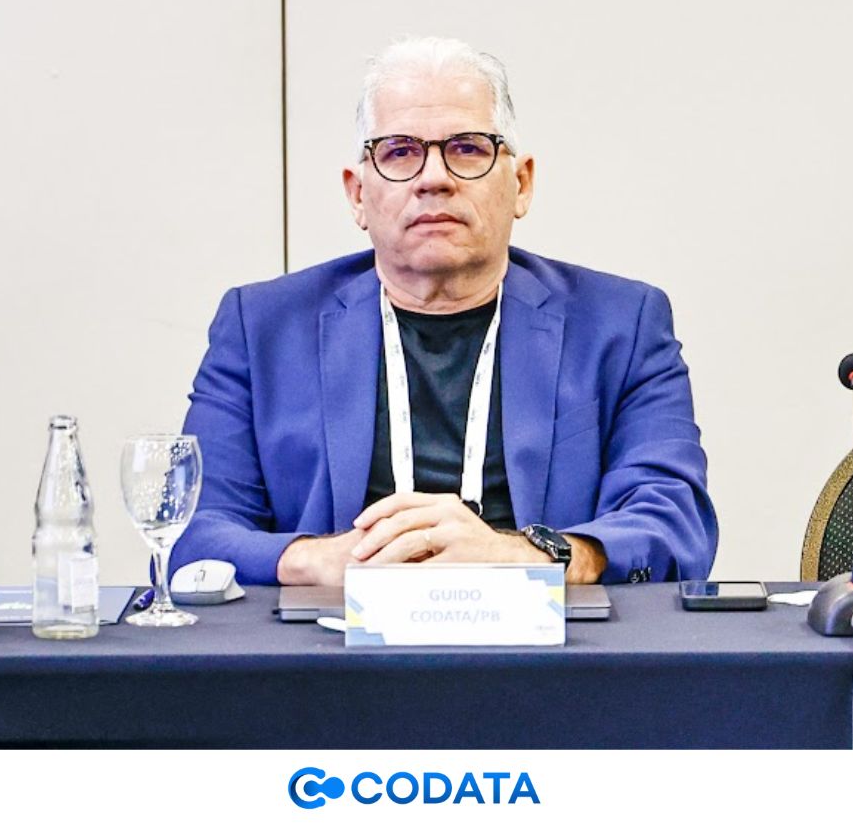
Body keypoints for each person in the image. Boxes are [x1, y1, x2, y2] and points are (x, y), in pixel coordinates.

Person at [171, 37, 717, 586]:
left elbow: (673, 523)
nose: (434, 178)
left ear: (521, 184)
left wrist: (527, 557)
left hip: (548, 633)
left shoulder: (622, 324)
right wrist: (320, 561)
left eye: (468, 148)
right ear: (358, 195)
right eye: (400, 152)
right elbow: (193, 531)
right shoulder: (261, 328)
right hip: (331, 633)